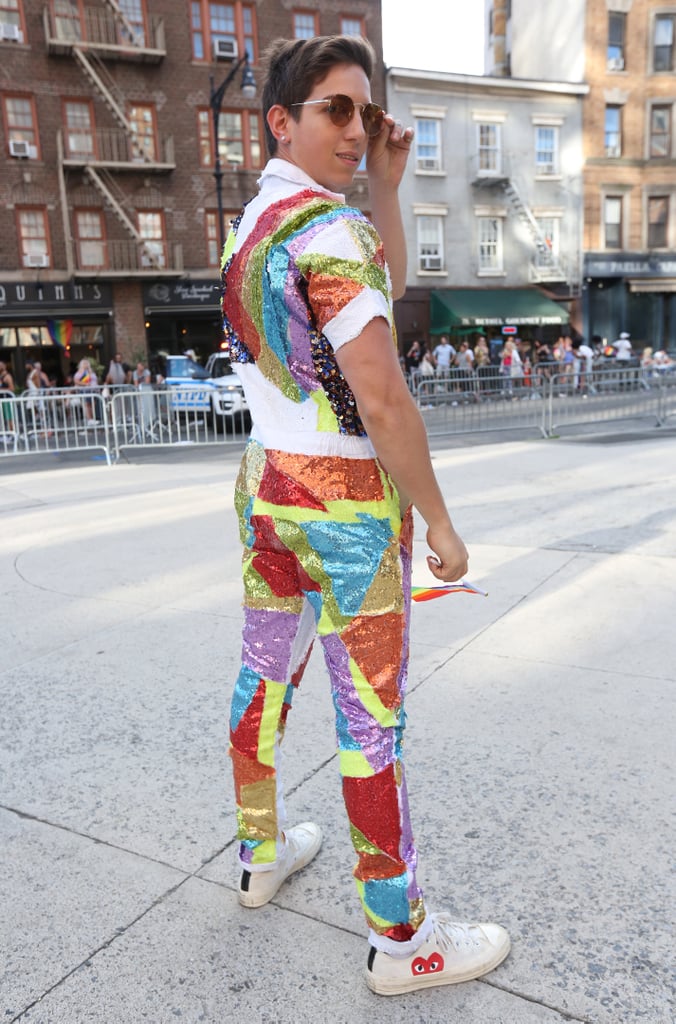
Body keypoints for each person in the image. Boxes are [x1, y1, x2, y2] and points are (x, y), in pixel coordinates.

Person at [220, 34, 510, 997]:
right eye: (335, 111)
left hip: (268, 485)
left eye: (365, 110)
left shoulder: (256, 222)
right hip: (345, 504)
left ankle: (259, 852)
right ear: (284, 120)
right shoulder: (328, 233)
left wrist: (385, 183)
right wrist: (439, 518)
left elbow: (362, 291)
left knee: (265, 676)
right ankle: (402, 938)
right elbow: (381, 396)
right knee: (370, 722)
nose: (356, 128)